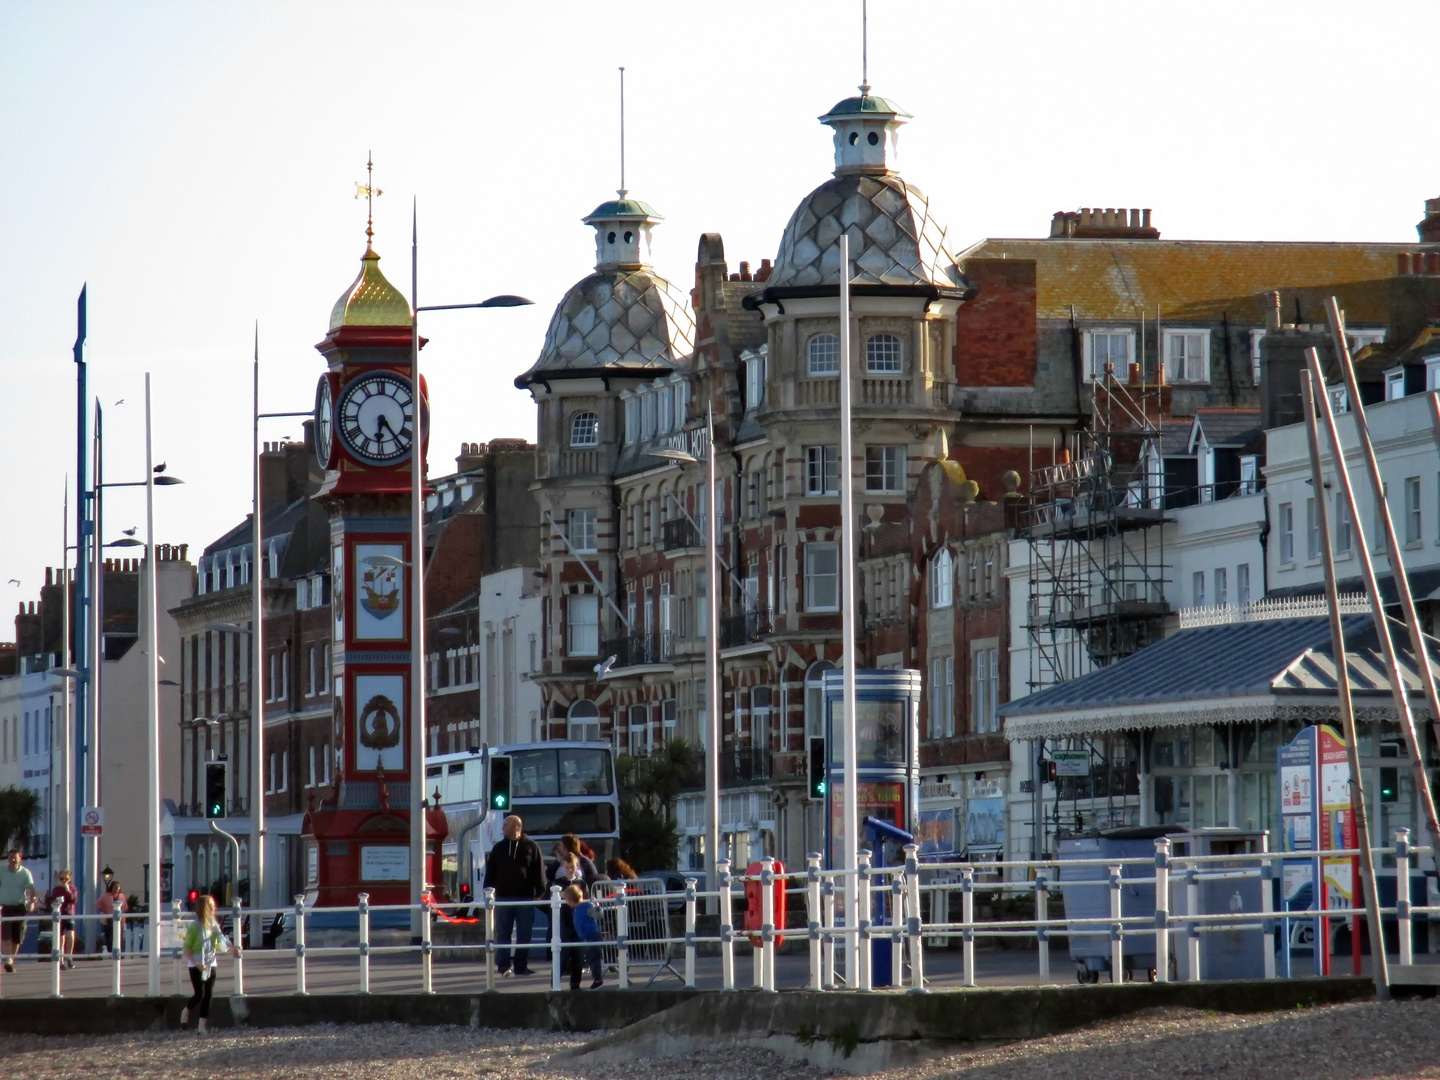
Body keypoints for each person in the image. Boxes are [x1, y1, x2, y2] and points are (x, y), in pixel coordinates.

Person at [482, 814, 544, 977]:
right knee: (503, 933)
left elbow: (538, 870)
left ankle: (521, 966)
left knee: (525, 933)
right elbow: (491, 872)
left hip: (524, 897)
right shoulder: (498, 848)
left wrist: (540, 892)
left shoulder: (531, 846)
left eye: (506, 824)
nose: (502, 828)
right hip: (503, 897)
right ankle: (503, 966)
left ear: (517, 827)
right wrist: (488, 891)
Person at [181, 894, 239, 1032]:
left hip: (210, 962)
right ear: (205, 908)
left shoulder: (213, 926)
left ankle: (202, 1027)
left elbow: (218, 944)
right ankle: (185, 1011)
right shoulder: (194, 927)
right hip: (196, 964)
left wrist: (231, 949)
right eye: (211, 907)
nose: (214, 909)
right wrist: (196, 963)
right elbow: (186, 949)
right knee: (199, 994)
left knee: (208, 995)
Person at [0, 849, 36, 973]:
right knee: (6, 936)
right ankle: (7, 960)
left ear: (20, 858)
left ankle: (11, 959)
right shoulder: (2, 871)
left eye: (15, 857)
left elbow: (31, 889)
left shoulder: (25, 873)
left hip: (20, 907)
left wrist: (32, 902)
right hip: (5, 906)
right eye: (10, 857)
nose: (13, 860)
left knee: (17, 937)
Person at [563, 884, 604, 990]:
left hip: (592, 936)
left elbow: (598, 915)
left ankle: (598, 980)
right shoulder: (579, 908)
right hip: (586, 937)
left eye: (566, 900)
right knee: (591, 958)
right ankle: (597, 978)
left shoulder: (587, 907)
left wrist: (597, 906)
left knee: (594, 958)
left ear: (570, 900)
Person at [46, 869, 77, 970]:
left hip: (68, 914)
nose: (64, 880)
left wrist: (67, 889)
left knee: (70, 934)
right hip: (59, 914)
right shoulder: (56, 890)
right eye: (61, 878)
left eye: (66, 878)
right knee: (60, 938)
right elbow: (51, 900)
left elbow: (73, 899)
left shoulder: (72, 889)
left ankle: (69, 957)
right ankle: (61, 959)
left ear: (69, 879)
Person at [96, 880, 129, 955]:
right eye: (115, 887)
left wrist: (121, 913)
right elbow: (97, 904)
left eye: (118, 887)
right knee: (109, 936)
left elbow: (126, 907)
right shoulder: (106, 896)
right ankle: (110, 951)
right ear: (112, 887)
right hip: (108, 919)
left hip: (119, 919)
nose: (117, 888)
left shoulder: (122, 896)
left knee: (118, 935)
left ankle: (118, 952)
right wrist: (104, 910)